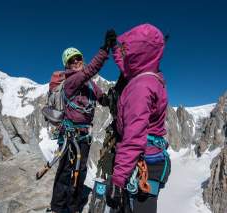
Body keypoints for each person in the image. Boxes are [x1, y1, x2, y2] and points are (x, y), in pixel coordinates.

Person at [105, 24, 171, 213]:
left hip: (141, 163)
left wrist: (118, 180)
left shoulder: (140, 88)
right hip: (151, 160)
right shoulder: (151, 76)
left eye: (129, 50)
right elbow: (128, 68)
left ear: (140, 53)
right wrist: (115, 50)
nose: (127, 55)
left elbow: (134, 137)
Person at [50, 35, 113, 213]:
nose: (76, 61)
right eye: (72, 60)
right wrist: (104, 51)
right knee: (65, 172)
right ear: (67, 65)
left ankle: (74, 207)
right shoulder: (72, 81)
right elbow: (90, 70)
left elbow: (100, 97)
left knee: (81, 171)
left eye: (78, 58)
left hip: (84, 136)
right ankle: (57, 208)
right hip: (69, 135)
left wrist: (108, 99)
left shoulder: (90, 84)